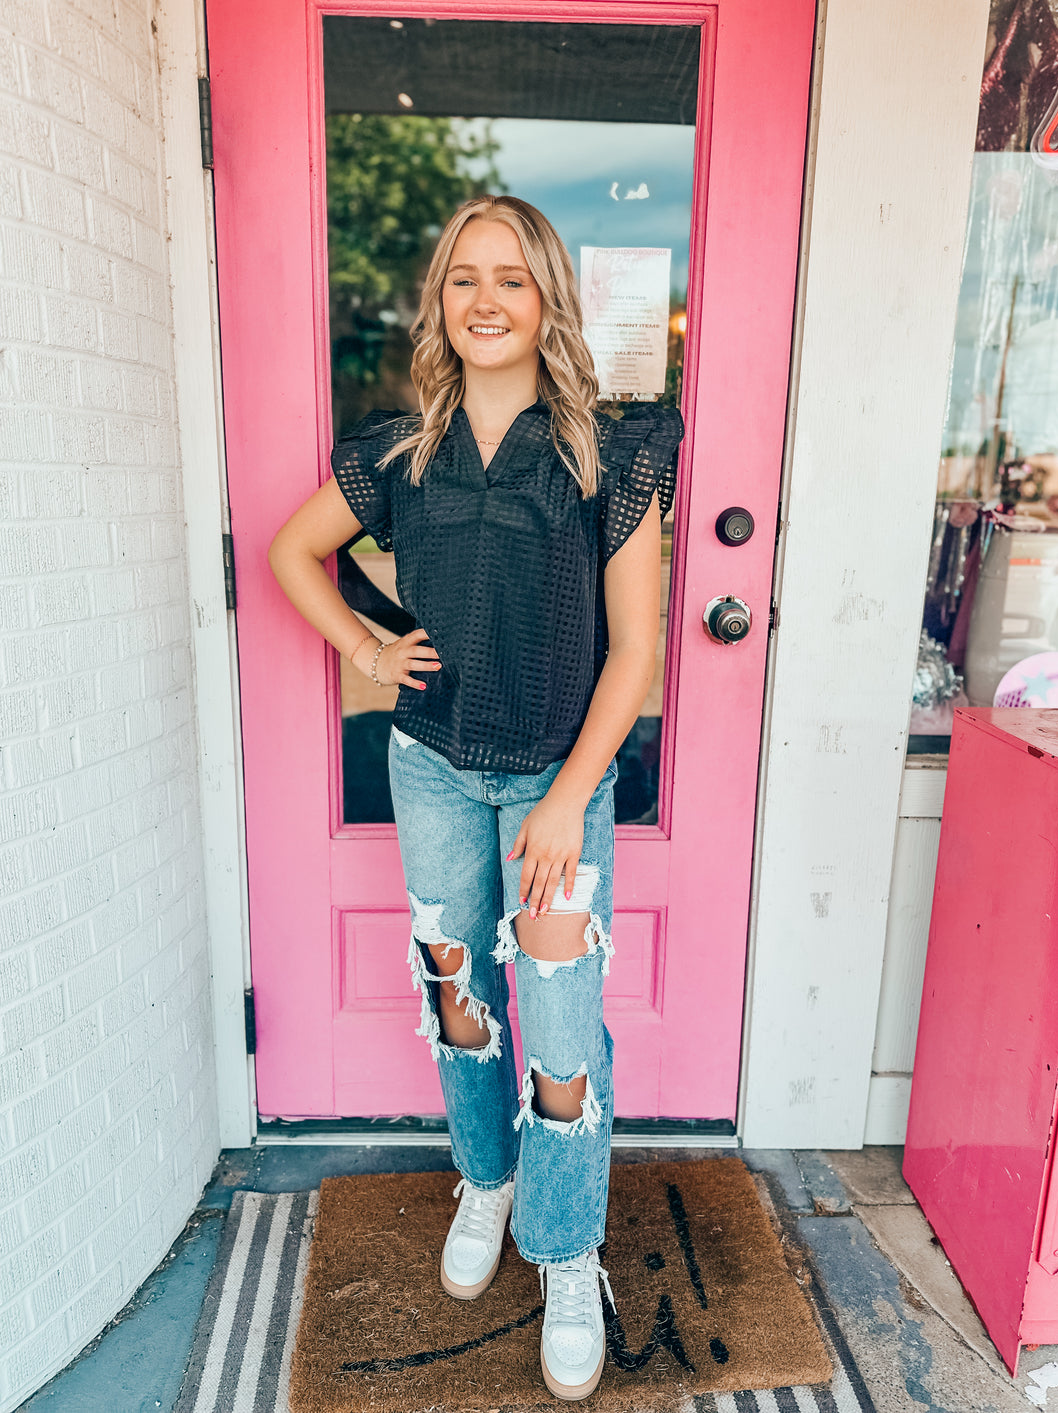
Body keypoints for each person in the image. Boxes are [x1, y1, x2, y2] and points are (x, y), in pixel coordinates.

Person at [268, 195, 683, 1400]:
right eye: (463, 279)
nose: (486, 299)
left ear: (547, 295)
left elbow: (636, 654)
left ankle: (562, 1248)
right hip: (435, 763)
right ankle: (489, 1178)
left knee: (558, 1035)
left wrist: (567, 802)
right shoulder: (397, 452)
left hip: (559, 774)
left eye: (510, 277)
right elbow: (296, 553)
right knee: (457, 999)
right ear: (439, 304)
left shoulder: (611, 448)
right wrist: (364, 643)